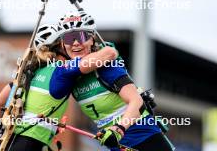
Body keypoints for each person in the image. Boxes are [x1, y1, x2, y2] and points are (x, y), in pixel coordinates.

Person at [49, 10, 175, 151]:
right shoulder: (65, 72)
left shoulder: (107, 66)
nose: (76, 43)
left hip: (143, 136)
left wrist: (118, 129)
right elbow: (55, 90)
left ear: (92, 39)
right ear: (62, 43)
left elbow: (136, 101)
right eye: (68, 38)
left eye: (81, 36)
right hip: (116, 144)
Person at [0, 23, 118, 151]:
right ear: (59, 47)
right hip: (31, 143)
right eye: (66, 42)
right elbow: (109, 53)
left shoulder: (29, 72)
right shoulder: (62, 71)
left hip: (8, 140)